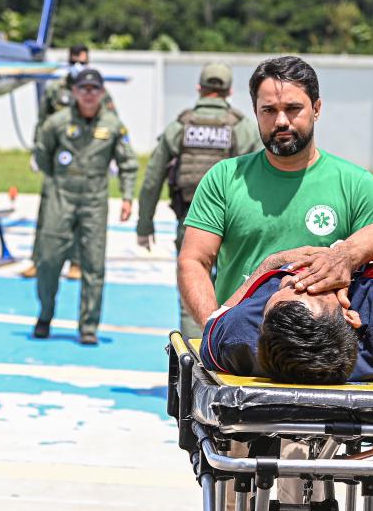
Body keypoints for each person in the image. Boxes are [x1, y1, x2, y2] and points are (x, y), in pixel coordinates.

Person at [177, 55, 373, 511]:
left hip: (312, 376)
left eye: (293, 108)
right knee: (233, 501)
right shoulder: (226, 180)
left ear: (317, 109)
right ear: (254, 112)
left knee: (306, 507)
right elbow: (194, 259)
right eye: (269, 110)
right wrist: (214, 325)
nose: (281, 121)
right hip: (242, 375)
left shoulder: (354, 186)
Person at [200, 218, 373, 383]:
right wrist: (346, 255)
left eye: (289, 286)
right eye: (311, 288)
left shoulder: (239, 338)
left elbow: (214, 320)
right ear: (350, 317)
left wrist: (273, 264)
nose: (295, 278)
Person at [136, 62, 260, 337]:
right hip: (236, 222)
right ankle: (228, 347)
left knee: (193, 283)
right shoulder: (243, 128)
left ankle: (194, 353)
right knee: (235, 285)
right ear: (229, 91)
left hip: (192, 219)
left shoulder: (180, 126)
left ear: (199, 87)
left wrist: (144, 224)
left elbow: (152, 178)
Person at [32, 67, 138, 345]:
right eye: (83, 88)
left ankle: (88, 326)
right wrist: (56, 181)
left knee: (93, 264)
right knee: (48, 259)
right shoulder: (57, 122)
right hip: (61, 198)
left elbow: (127, 163)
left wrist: (127, 196)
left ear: (102, 92)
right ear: (74, 91)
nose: (88, 94)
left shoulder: (113, 125)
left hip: (94, 201)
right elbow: (42, 154)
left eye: (94, 89)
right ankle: (45, 315)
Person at [21, 44, 116, 279]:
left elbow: (111, 122)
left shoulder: (98, 91)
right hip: (58, 163)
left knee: (82, 215)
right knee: (47, 212)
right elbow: (42, 122)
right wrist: (37, 150)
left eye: (83, 62)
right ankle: (39, 260)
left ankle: (76, 263)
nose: (78, 66)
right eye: (74, 61)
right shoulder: (55, 90)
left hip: (88, 161)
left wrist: (112, 156)